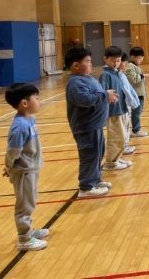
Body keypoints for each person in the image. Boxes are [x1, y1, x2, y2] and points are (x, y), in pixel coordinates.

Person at [3, 83, 49, 251]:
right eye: (36, 98)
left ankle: (29, 231)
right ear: (24, 103)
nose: (39, 101)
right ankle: (24, 239)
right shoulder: (20, 126)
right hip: (23, 171)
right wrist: (8, 166)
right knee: (25, 205)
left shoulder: (29, 120)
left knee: (30, 201)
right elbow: (13, 151)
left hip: (30, 169)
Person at [65, 47, 114, 197]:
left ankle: (95, 180)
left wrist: (106, 97)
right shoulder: (75, 83)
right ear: (76, 65)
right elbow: (85, 100)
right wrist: (105, 95)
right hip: (86, 127)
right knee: (90, 155)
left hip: (96, 125)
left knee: (98, 153)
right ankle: (86, 187)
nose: (91, 64)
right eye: (87, 61)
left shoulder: (88, 78)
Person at [98, 46, 132, 171]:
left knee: (122, 137)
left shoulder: (117, 73)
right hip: (113, 112)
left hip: (121, 109)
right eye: (113, 60)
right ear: (105, 59)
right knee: (116, 137)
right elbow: (103, 93)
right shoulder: (105, 75)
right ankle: (110, 163)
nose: (116, 63)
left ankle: (117, 158)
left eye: (118, 60)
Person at [125, 46, 149, 137]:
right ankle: (136, 130)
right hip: (136, 94)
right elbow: (134, 79)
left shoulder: (136, 66)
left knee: (138, 112)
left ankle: (136, 129)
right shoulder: (130, 66)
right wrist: (143, 75)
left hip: (139, 94)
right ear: (133, 57)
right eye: (139, 58)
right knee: (136, 112)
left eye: (142, 58)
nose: (141, 60)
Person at [119, 52, 141, 155]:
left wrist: (134, 100)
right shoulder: (115, 75)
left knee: (126, 126)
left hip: (126, 106)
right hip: (121, 107)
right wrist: (133, 102)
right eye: (125, 62)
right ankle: (121, 148)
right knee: (121, 128)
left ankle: (124, 145)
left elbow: (129, 89)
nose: (126, 65)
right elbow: (126, 91)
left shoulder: (121, 74)